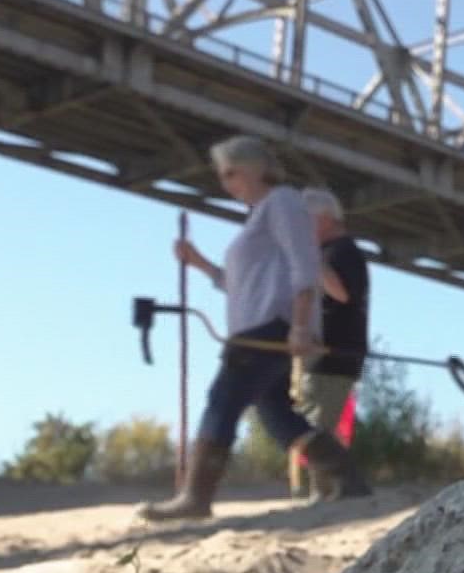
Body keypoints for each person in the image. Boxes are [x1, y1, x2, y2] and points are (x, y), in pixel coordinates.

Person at [139, 135, 369, 521]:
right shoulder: (263, 215)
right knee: (277, 413)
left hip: (268, 327)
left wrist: (300, 324)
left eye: (233, 172)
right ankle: (347, 478)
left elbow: (303, 262)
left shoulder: (282, 203)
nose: (228, 183)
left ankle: (196, 497)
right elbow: (244, 283)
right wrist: (200, 264)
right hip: (262, 323)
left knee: (222, 400)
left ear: (256, 167)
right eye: (222, 176)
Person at [289, 187, 370, 501]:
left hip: (334, 355)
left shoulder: (343, 252)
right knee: (315, 420)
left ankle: (327, 490)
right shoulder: (331, 253)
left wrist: (311, 260)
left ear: (322, 218)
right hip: (322, 355)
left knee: (316, 424)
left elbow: (342, 292)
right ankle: (324, 489)